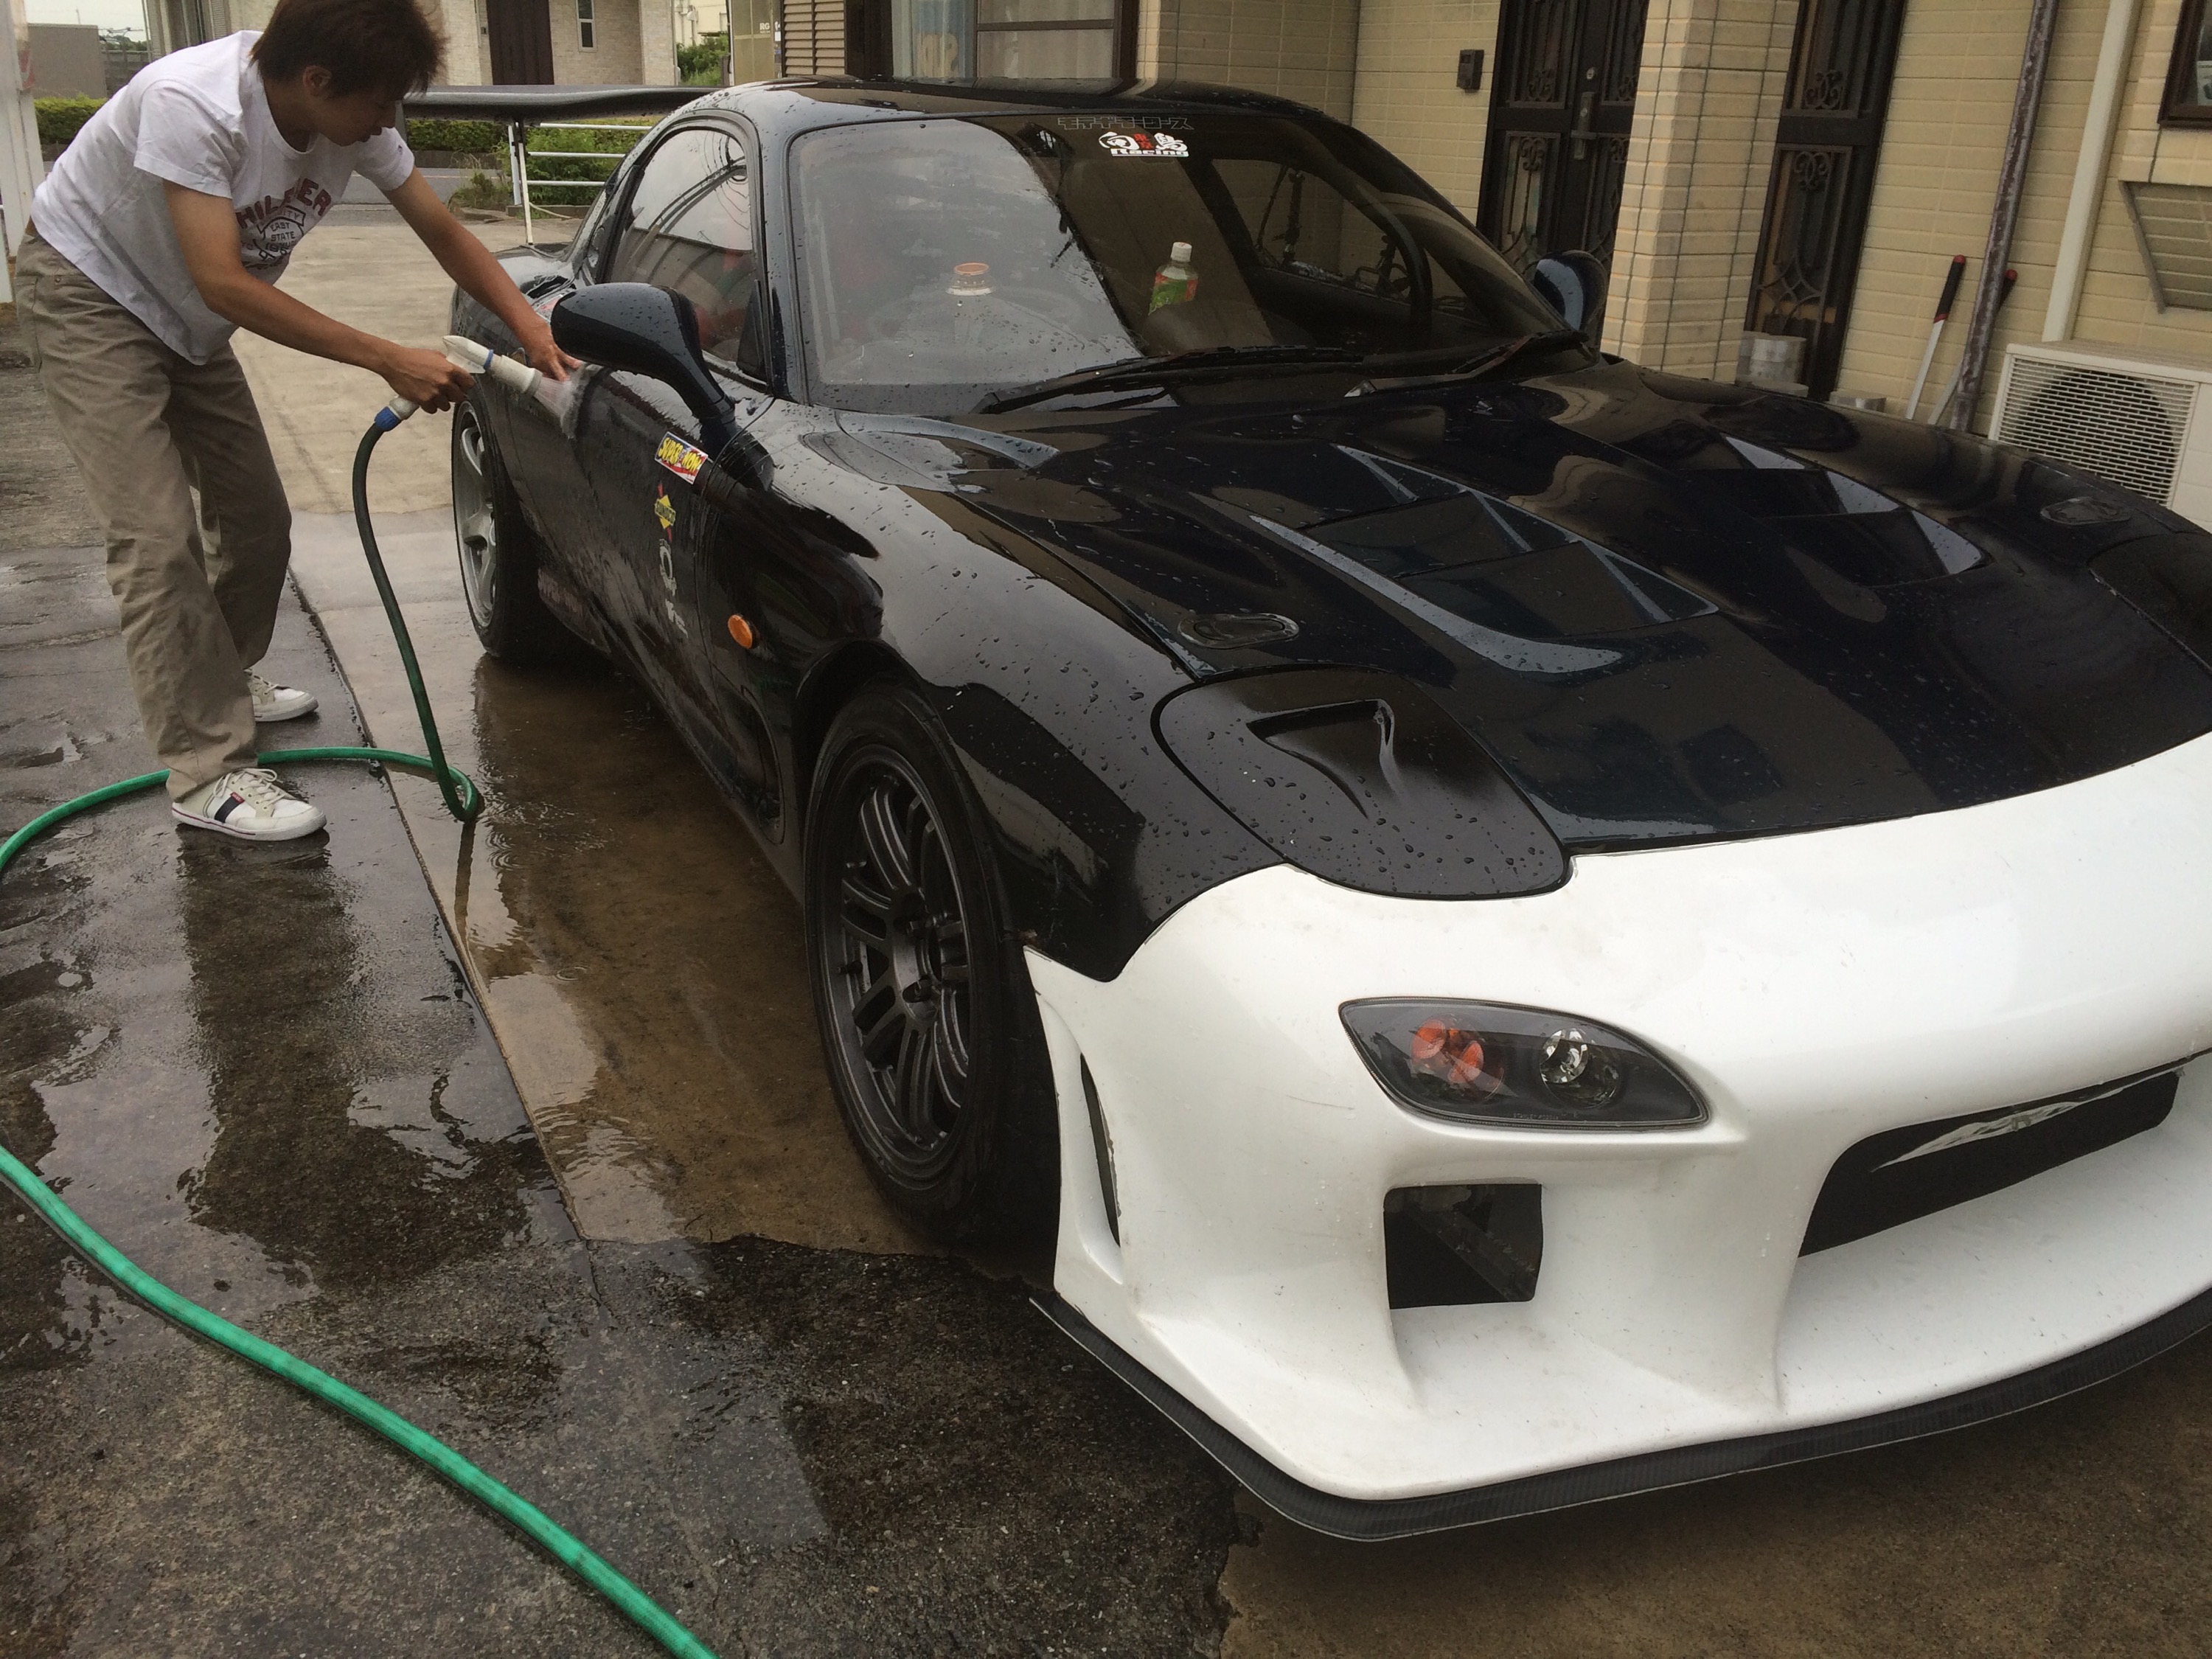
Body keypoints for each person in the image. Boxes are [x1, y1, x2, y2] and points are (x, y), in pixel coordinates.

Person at [15, 0, 572, 842]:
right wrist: (386, 356)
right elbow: (224, 282)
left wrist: (531, 325)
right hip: (90, 294)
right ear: (316, 80)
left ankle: (220, 679)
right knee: (157, 539)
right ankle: (206, 769)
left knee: (257, 522)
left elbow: (442, 228)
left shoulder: (353, 121)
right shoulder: (193, 105)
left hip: (190, 321)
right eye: (377, 104)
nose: (386, 123)